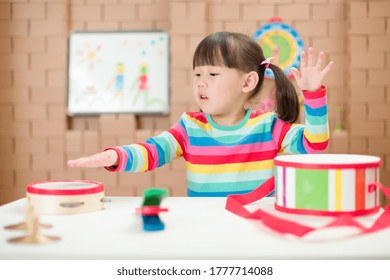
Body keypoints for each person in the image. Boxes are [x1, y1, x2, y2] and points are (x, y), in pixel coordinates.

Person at [68, 32, 333, 197]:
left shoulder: (269, 126)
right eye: (197, 74)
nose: (200, 82)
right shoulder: (189, 128)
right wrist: (116, 156)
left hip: (256, 228)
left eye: (213, 74)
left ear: (248, 82)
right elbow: (152, 152)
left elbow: (314, 145)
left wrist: (313, 95)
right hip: (205, 230)